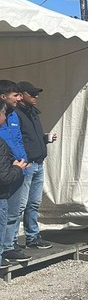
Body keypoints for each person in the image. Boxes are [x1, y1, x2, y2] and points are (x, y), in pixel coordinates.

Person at [16, 81, 57, 249]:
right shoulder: (16, 114)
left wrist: (44, 140)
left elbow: (30, 137)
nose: (36, 97)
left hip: (38, 163)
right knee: (20, 204)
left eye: (36, 94)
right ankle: (10, 242)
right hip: (27, 164)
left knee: (33, 203)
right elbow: (17, 140)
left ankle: (32, 237)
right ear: (21, 95)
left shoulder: (33, 113)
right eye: (32, 94)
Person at [0, 81, 32, 264]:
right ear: (3, 96)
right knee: (3, 211)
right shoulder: (2, 116)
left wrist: (23, 161)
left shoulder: (14, 116)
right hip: (7, 169)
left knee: (14, 211)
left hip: (19, 168)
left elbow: (18, 140)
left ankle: (9, 246)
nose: (20, 98)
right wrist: (12, 163)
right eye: (16, 95)